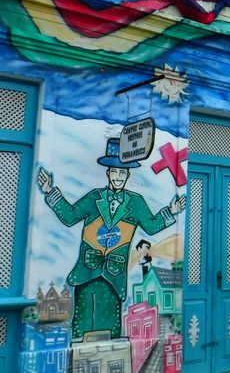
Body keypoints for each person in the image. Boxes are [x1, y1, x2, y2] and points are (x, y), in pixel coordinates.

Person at [36, 137, 186, 340]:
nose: (118, 177)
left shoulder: (136, 202)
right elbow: (70, 216)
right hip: (86, 273)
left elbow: (151, 226)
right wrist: (49, 192)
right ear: (108, 173)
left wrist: (171, 211)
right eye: (114, 172)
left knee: (110, 325)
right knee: (82, 323)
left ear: (127, 175)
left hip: (114, 278)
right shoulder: (94, 197)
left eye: (122, 173)